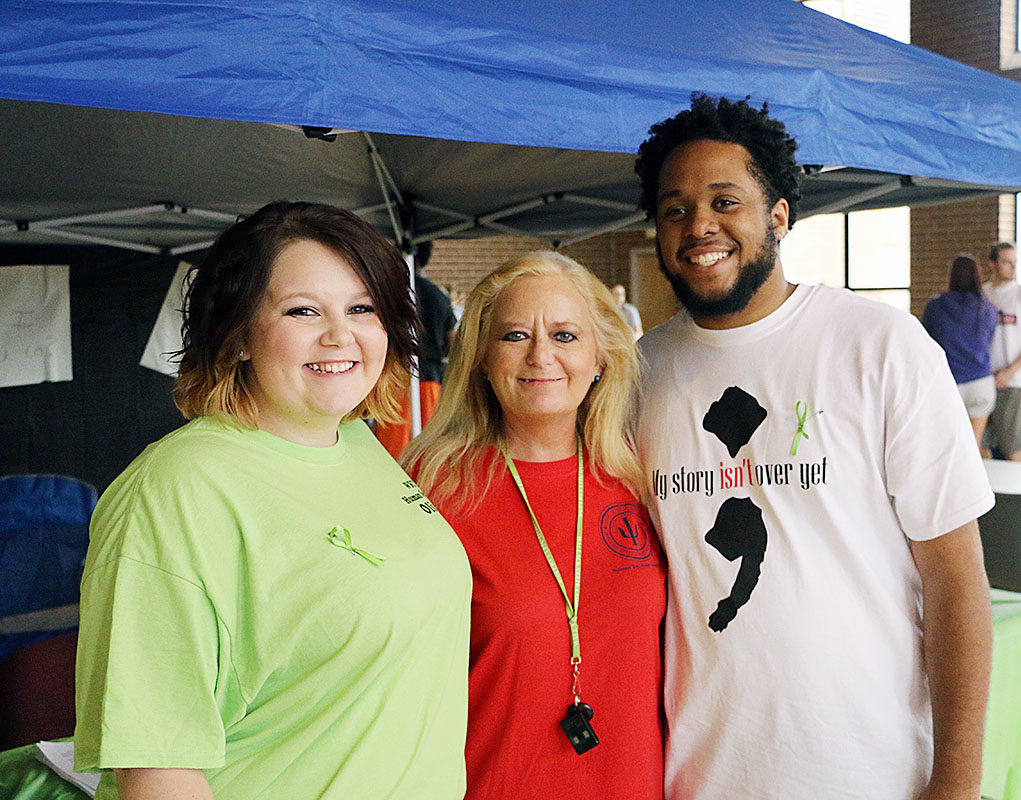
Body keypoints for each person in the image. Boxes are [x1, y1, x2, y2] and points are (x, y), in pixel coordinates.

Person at [633, 95, 993, 800]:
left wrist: (957, 783)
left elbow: (956, 579)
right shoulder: (638, 374)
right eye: (675, 209)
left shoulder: (881, 345)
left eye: (725, 201)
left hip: (873, 773)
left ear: (778, 216)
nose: (698, 225)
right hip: (701, 777)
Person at [73, 202, 471, 800]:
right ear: (237, 336)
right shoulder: (176, 489)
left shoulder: (357, 442)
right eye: (302, 310)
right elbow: (158, 768)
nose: (340, 335)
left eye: (362, 308)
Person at [402, 251, 666, 800]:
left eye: (565, 335)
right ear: (480, 356)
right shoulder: (430, 486)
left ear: (601, 356)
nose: (541, 355)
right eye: (515, 335)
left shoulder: (641, 475)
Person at [375, 240, 457, 457]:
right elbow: (452, 342)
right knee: (428, 452)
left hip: (395, 380)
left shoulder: (389, 293)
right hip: (429, 379)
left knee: (392, 454)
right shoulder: (438, 296)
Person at [922, 254, 1000, 449]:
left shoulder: (935, 306)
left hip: (948, 382)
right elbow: (988, 341)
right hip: (981, 382)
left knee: (947, 447)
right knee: (973, 447)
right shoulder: (988, 309)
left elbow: (927, 342)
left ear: (952, 276)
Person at [982, 242, 1021, 461]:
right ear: (993, 264)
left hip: (1013, 381)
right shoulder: (983, 294)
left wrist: (1010, 371)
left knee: (1012, 444)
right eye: (1006, 262)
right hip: (984, 379)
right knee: (979, 443)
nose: (1012, 267)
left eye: (1015, 262)